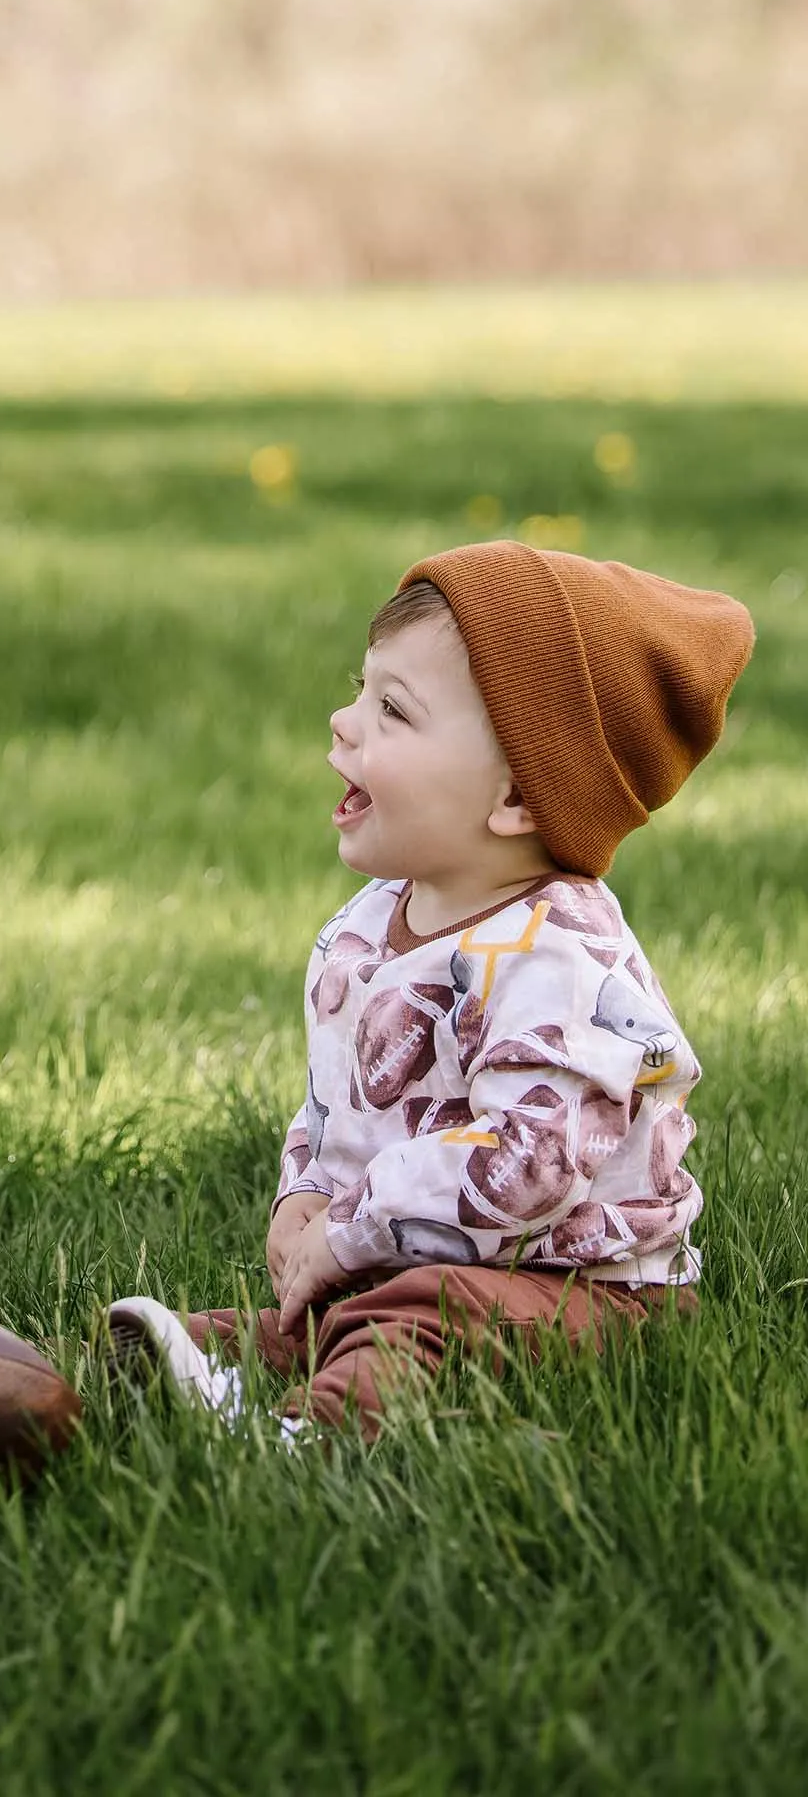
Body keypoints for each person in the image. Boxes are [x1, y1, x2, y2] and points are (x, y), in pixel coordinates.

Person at [106, 543, 754, 1438]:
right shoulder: (371, 924)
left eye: (392, 711)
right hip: (408, 1264)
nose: (342, 722)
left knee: (418, 1321)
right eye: (358, 690)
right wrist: (305, 1194)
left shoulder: (558, 958)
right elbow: (339, 1106)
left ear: (520, 798)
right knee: (294, 1328)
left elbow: (531, 1166)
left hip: (581, 1292)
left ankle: (306, 1440)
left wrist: (353, 1227)